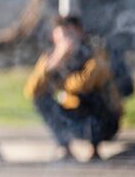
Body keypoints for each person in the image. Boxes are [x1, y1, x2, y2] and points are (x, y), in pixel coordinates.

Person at [24, 15, 124, 162]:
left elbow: (84, 85)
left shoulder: (95, 54)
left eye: (70, 35)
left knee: (92, 96)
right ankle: (65, 148)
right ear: (54, 38)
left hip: (103, 122)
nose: (66, 41)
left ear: (80, 33)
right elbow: (31, 91)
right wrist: (52, 65)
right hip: (73, 119)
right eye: (62, 36)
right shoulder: (51, 58)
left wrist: (62, 86)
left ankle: (94, 148)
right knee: (41, 99)